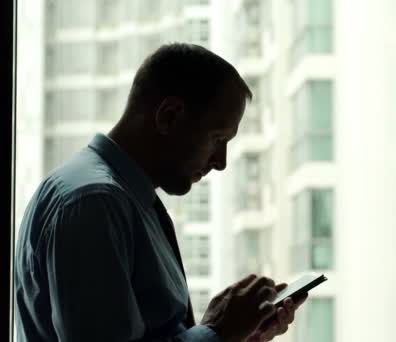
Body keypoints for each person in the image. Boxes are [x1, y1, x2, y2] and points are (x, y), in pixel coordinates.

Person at [14, 43, 307, 342]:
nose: (221, 162)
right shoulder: (95, 203)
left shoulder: (121, 201)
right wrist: (219, 331)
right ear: (169, 116)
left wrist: (232, 335)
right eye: (217, 138)